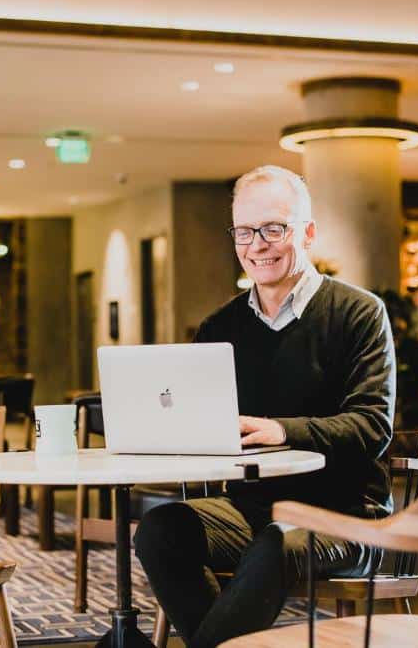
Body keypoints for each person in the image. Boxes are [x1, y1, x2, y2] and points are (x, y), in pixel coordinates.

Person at [133, 165, 395, 648]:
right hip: (251, 508)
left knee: (277, 543)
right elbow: (201, 426)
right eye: (245, 231)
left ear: (308, 232)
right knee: (159, 530)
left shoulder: (360, 314)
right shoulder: (219, 328)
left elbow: (372, 425)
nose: (258, 244)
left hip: (346, 514)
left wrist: (281, 430)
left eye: (274, 228)